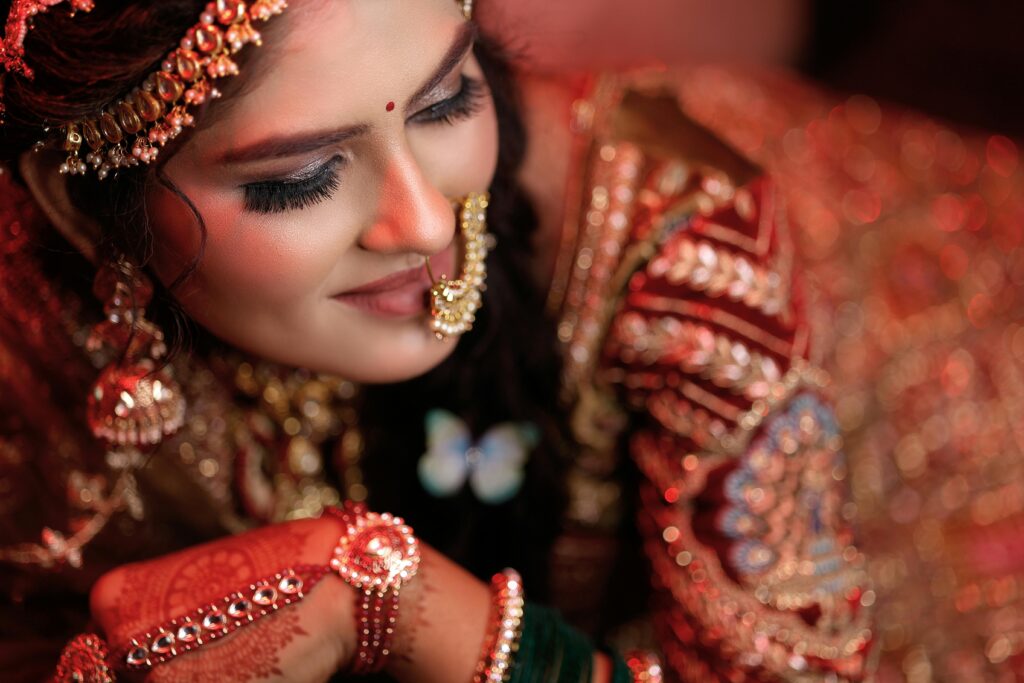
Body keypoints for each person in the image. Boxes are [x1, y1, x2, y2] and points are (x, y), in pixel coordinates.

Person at [0, 0, 1018, 681]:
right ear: (83, 207)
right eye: (296, 179)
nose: (428, 224)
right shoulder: (32, 301)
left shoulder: (679, 242)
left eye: (449, 99)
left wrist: (394, 596)